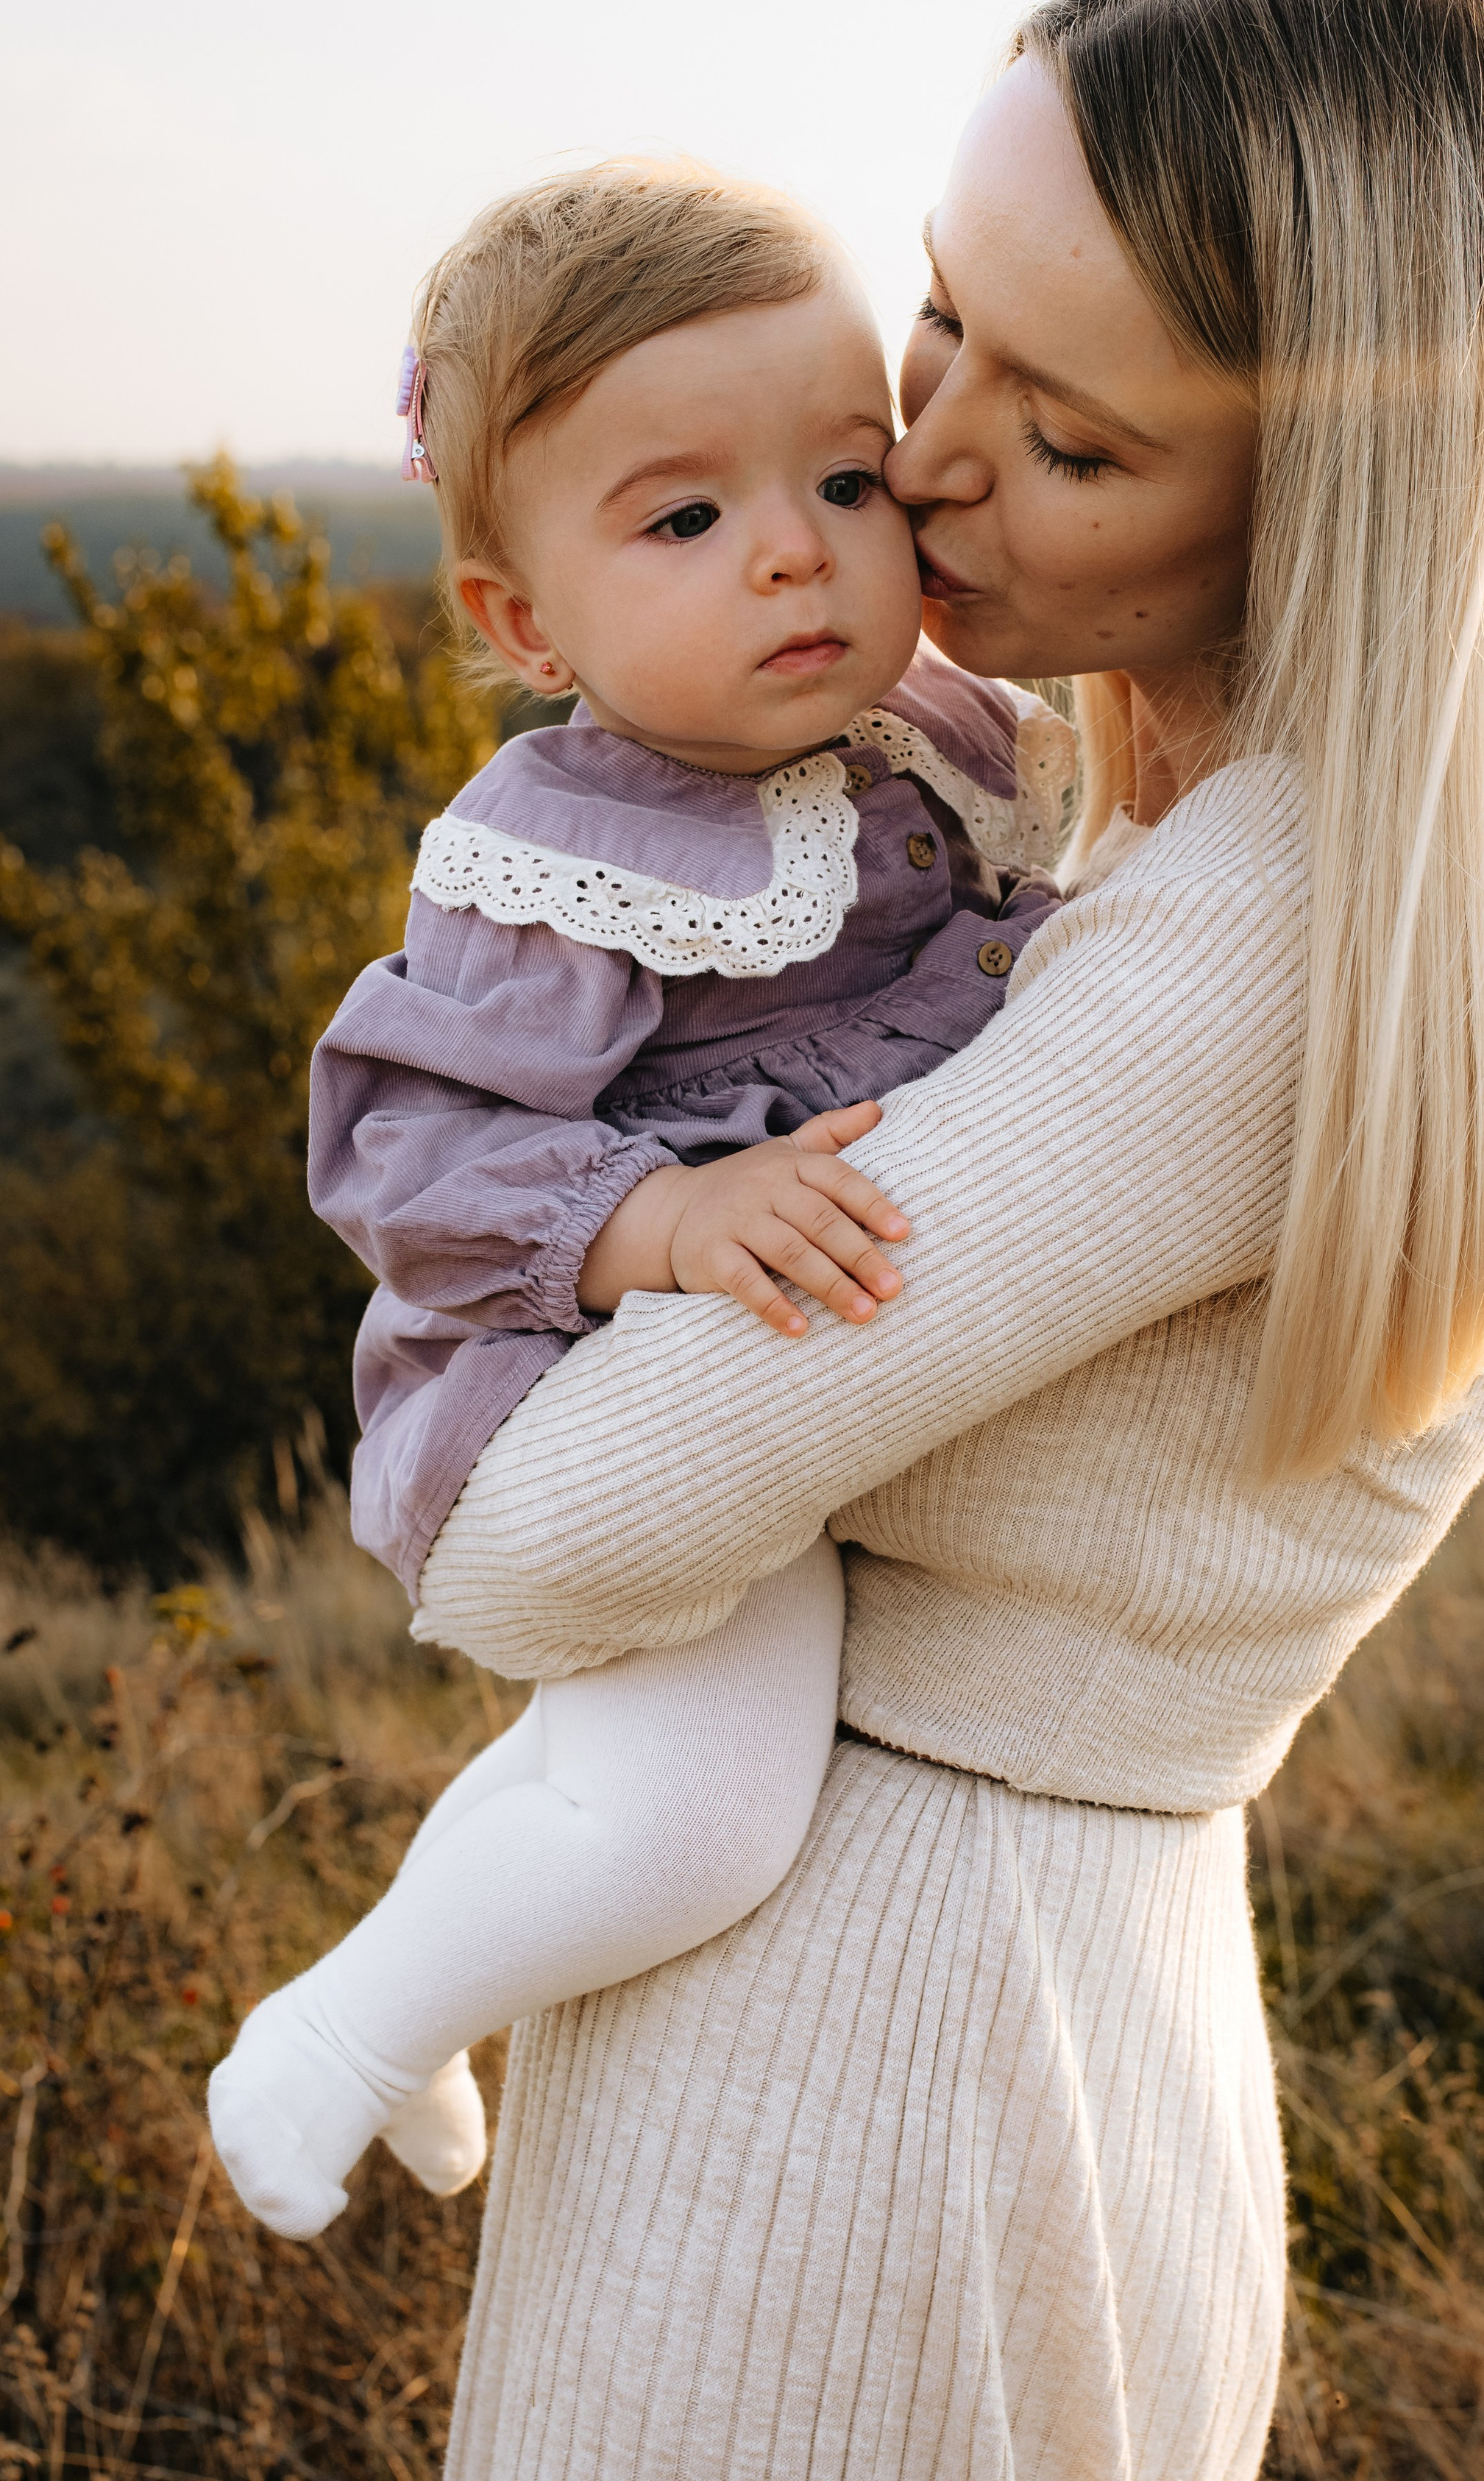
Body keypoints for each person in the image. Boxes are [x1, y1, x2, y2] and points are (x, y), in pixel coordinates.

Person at [413, 0, 1484, 2479]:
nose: (917, 454)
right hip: (1014, 2023)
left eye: (1078, 440)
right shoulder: (1229, 850)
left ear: (1340, 497)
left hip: (869, 2100)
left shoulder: (1257, 934)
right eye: (941, 312)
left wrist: (565, 1220)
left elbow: (542, 1543)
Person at [205, 158, 1073, 2241]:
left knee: (601, 1753)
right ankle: (341, 2034)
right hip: (576, 1378)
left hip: (782, 1374)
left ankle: (409, 2009)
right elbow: (404, 1153)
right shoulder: (558, 852)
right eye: (684, 520)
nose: (793, 551)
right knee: (696, 1812)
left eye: (846, 480)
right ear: (526, 623)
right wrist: (656, 1222)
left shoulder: (930, 730)